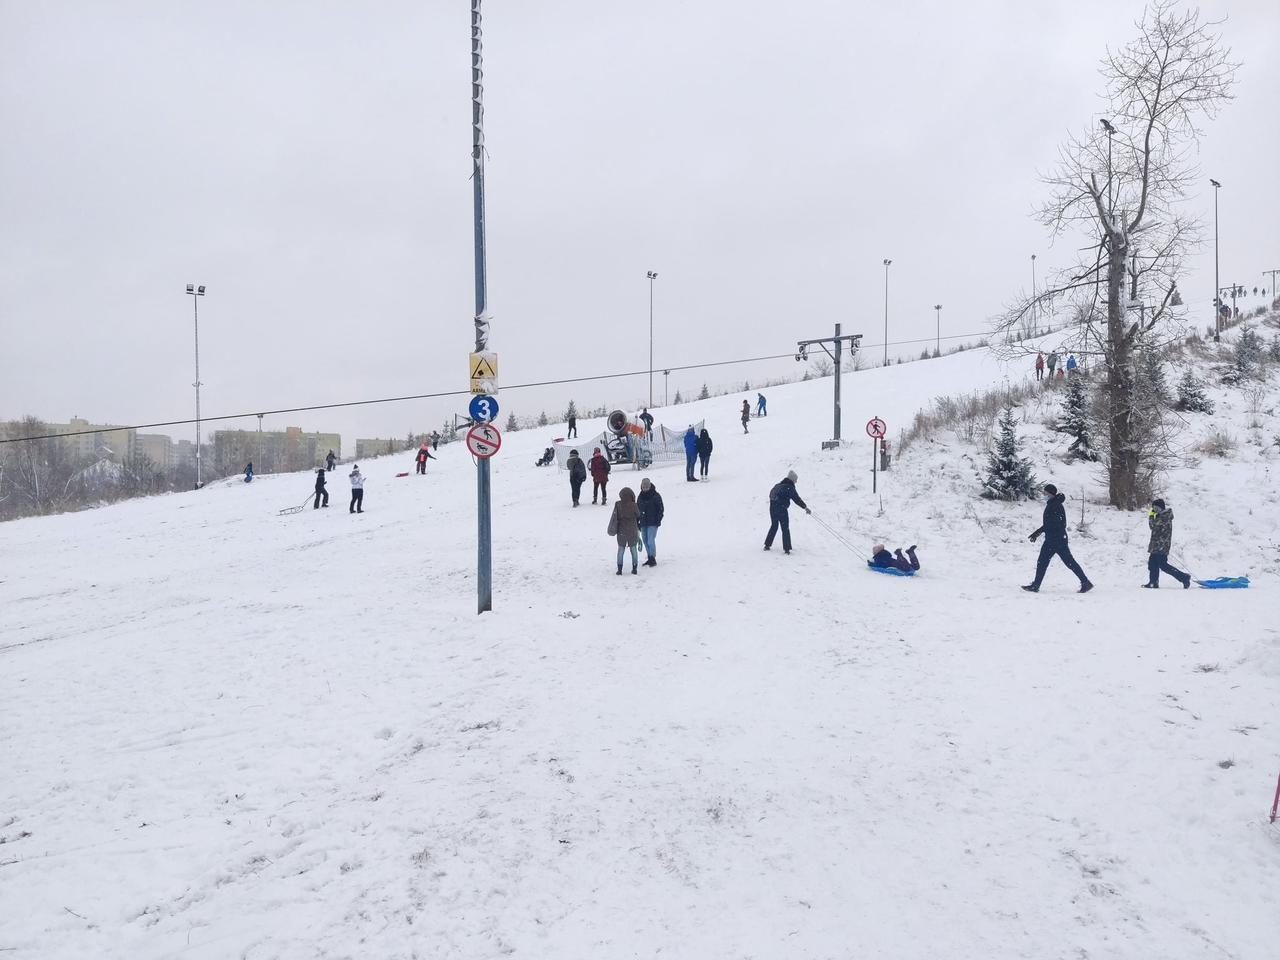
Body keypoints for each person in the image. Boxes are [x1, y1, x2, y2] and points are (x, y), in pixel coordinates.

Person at [1023, 483, 1092, 593]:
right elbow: (1049, 524)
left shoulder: (1055, 505)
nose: (1043, 494)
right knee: (1045, 561)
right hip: (1054, 539)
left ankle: (1085, 582)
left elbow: (1057, 524)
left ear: (1050, 494)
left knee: (1066, 562)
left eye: (1045, 493)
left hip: (1056, 540)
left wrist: (1040, 533)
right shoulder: (1052, 504)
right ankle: (1036, 585)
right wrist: (1037, 533)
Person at [1144, 498, 1190, 588]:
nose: (1154, 510)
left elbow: (1153, 526)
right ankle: (1153, 582)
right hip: (1156, 545)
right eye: (1153, 508)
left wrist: (1151, 516)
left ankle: (1184, 577)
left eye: (1156, 508)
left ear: (1161, 508)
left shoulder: (1165, 517)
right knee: (1152, 564)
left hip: (1161, 545)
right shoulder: (1160, 516)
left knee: (1163, 565)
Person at [764, 470, 809, 554]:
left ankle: (767, 545)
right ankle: (787, 549)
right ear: (792, 479)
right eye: (795, 480)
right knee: (785, 528)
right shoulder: (790, 487)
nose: (796, 481)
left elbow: (770, 495)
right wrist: (805, 507)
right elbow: (797, 499)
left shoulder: (778, 485)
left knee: (774, 526)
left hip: (772, 508)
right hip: (782, 509)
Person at [608, 486, 641, 575]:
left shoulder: (618, 504)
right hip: (632, 530)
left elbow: (615, 516)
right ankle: (634, 568)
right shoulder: (634, 505)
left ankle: (619, 569)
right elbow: (638, 515)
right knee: (633, 549)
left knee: (621, 550)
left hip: (621, 531)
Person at [637, 477, 664, 567]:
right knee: (645, 540)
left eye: (646, 487)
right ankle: (649, 557)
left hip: (653, 522)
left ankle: (652, 557)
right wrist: (638, 522)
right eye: (643, 487)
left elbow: (660, 509)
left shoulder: (655, 496)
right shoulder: (640, 496)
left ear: (649, 486)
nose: (645, 489)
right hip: (643, 522)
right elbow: (637, 510)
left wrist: (658, 520)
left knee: (650, 540)